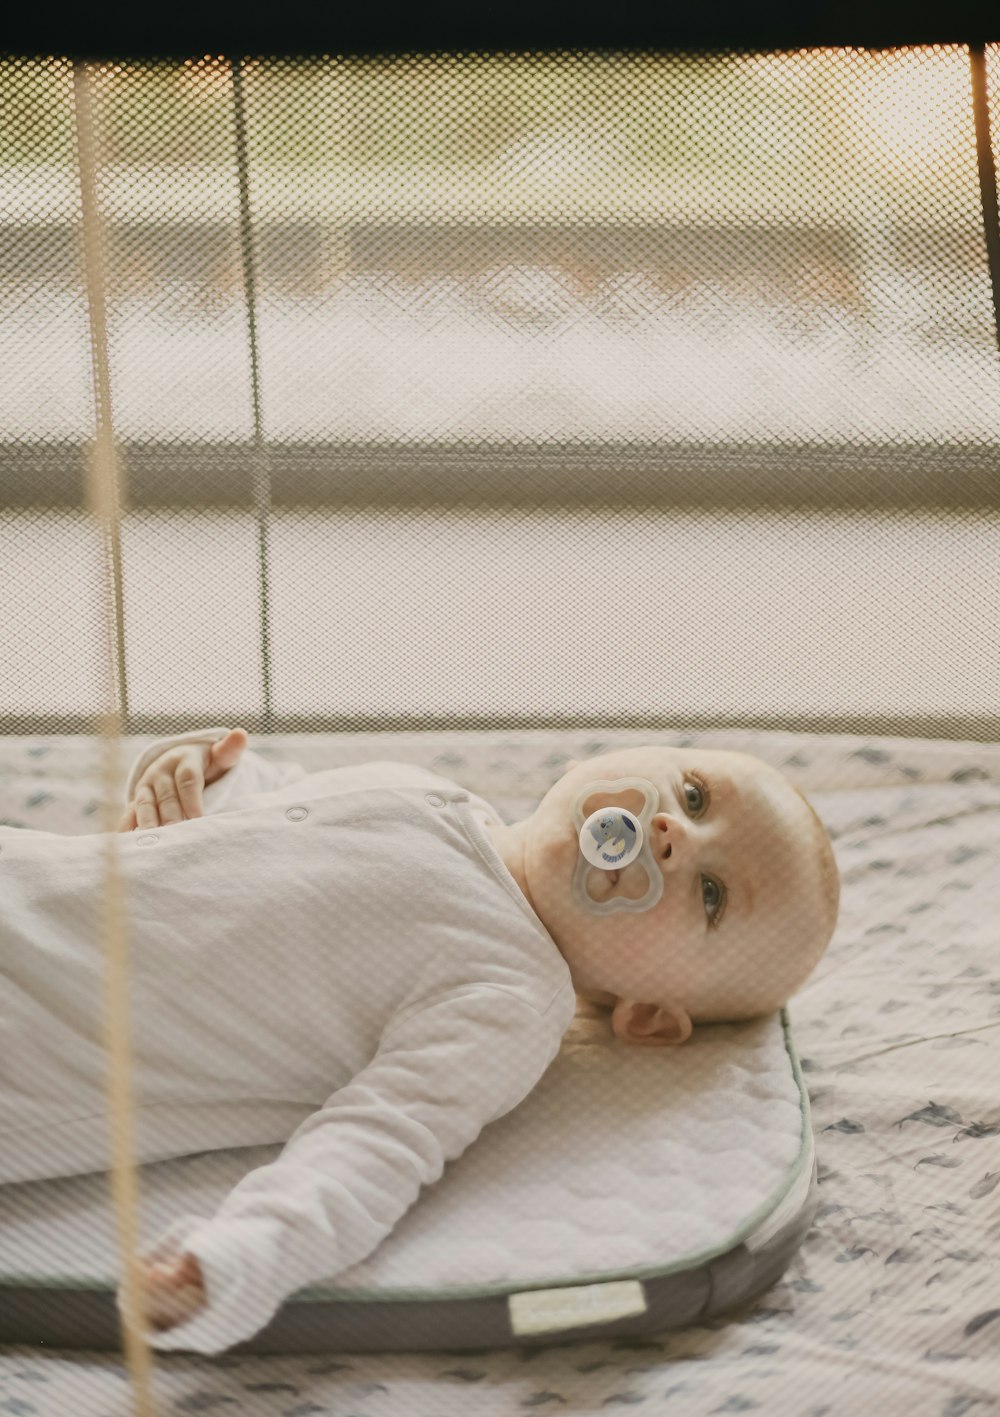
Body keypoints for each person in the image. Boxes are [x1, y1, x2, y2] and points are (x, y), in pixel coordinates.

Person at [1, 727, 839, 1352]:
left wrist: (243, 1255)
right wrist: (192, 771)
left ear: (649, 1014)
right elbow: (270, 804)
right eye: (693, 796)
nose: (671, 836)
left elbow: (376, 1145)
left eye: (713, 894)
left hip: (36, 1045)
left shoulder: (512, 995)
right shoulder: (431, 791)